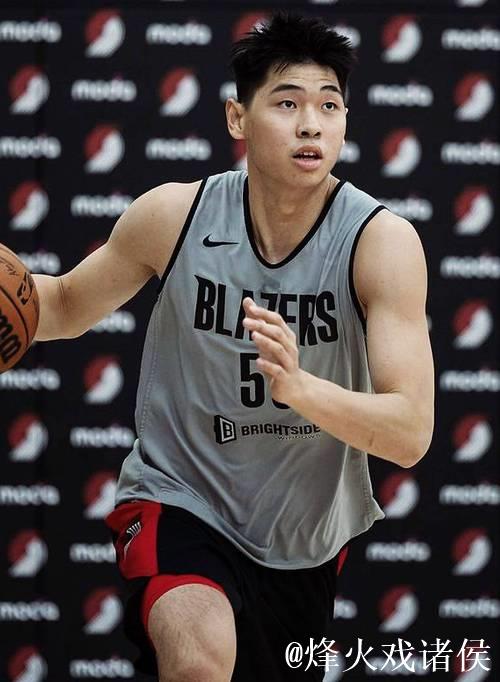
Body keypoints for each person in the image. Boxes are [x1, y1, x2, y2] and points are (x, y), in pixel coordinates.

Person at [24, 11, 434, 682]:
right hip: (179, 496)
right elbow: (64, 305)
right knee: (199, 660)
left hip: (301, 541)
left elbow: (410, 431)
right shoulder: (174, 215)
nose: (311, 125)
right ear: (237, 118)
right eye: (288, 103)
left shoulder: (380, 243)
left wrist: (302, 389)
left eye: (329, 106)